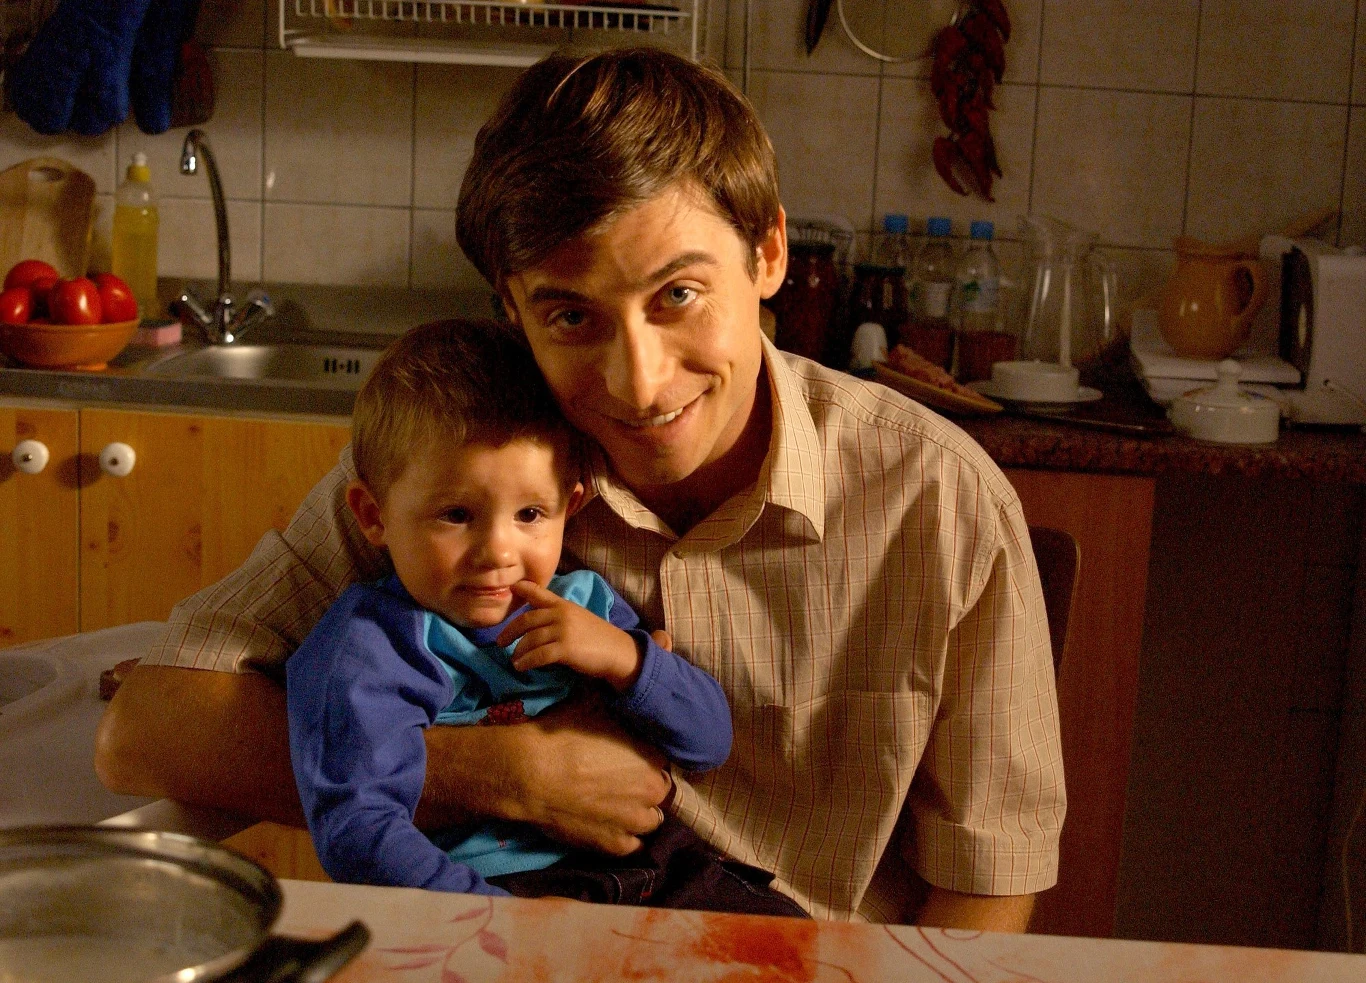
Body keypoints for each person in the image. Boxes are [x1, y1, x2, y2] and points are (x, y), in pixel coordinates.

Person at [96, 46, 1064, 928]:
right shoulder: (460, 474)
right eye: (570, 316)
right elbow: (148, 729)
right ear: (510, 311)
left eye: (678, 295)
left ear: (767, 254)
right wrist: (501, 773)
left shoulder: (943, 500)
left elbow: (986, 881)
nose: (637, 384)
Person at [287, 317, 805, 916]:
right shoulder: (370, 646)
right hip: (493, 893)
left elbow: (708, 742)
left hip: (655, 872)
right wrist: (492, 919)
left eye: (530, 514)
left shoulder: (584, 604)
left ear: (571, 505)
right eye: (455, 515)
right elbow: (356, 830)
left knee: (788, 938)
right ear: (373, 516)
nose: (497, 552)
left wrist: (625, 658)